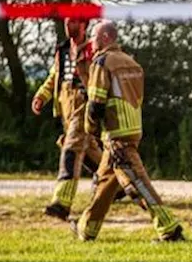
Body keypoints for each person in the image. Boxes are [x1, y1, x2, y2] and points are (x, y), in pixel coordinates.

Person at [73, 20, 184, 242]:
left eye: (94, 37)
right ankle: (86, 230)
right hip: (132, 131)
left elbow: (96, 103)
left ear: (105, 37)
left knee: (138, 185)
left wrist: (90, 129)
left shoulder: (102, 63)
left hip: (117, 136)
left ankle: (170, 230)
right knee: (104, 185)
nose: (91, 42)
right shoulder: (132, 63)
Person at [31, 16, 105, 221]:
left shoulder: (93, 49)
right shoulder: (62, 50)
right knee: (87, 149)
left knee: (71, 148)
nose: (68, 25)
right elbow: (54, 76)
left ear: (84, 25)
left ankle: (61, 202)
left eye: (73, 21)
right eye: (66, 21)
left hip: (84, 104)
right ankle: (116, 183)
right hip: (65, 106)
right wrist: (41, 96)